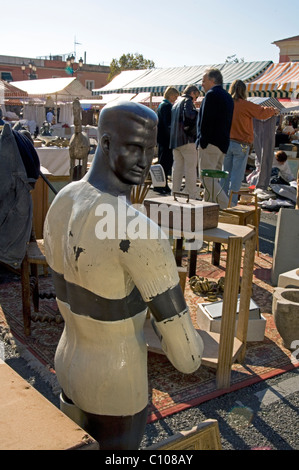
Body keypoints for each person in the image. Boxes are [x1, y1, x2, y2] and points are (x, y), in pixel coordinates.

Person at [44, 101, 204, 450]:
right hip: (115, 383)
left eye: (152, 149)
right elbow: (187, 358)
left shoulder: (62, 200)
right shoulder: (138, 231)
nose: (146, 160)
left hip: (67, 365)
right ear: (104, 143)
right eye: (135, 147)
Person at [223, 79, 279, 206]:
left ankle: (222, 201)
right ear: (243, 91)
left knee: (225, 174)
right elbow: (261, 112)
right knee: (237, 175)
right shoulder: (245, 105)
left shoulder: (226, 104)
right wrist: (273, 110)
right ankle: (232, 203)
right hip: (241, 144)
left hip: (226, 143)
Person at [196, 68, 234, 209]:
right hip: (222, 144)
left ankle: (228, 207)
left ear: (212, 80)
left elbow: (206, 121)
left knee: (206, 179)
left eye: (204, 81)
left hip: (210, 144)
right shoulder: (227, 96)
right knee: (212, 180)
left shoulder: (211, 95)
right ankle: (206, 211)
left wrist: (202, 142)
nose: (202, 84)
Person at [170, 84, 200, 200]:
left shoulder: (176, 102)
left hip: (175, 140)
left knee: (177, 167)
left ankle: (175, 191)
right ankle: (191, 194)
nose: (195, 100)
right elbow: (189, 116)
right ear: (192, 93)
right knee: (190, 168)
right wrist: (197, 113)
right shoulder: (187, 101)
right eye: (196, 97)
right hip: (187, 139)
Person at [156, 86, 179, 194]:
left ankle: (160, 184)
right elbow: (168, 124)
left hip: (161, 138)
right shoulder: (166, 106)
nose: (175, 99)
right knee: (165, 163)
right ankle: (161, 185)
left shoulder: (161, 105)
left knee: (162, 163)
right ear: (170, 95)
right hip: (166, 139)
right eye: (175, 96)